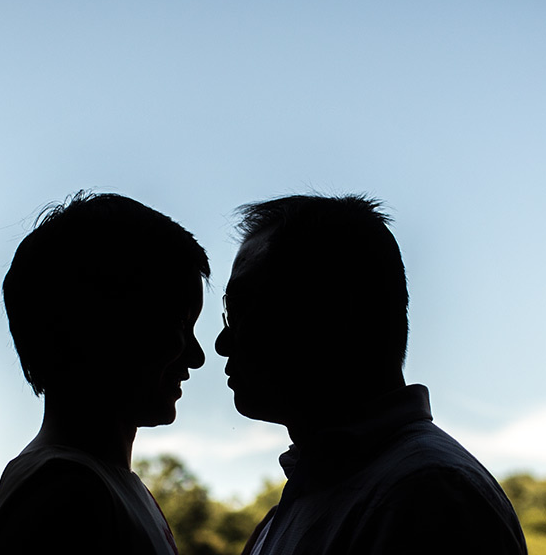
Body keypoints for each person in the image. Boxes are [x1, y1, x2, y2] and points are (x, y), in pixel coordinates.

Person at [215, 194, 527, 555]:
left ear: (336, 310)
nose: (222, 343)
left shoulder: (427, 496)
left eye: (245, 309)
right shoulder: (341, 491)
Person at [0, 191, 209, 555]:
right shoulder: (66, 491)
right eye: (178, 323)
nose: (196, 357)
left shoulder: (105, 485)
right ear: (98, 325)